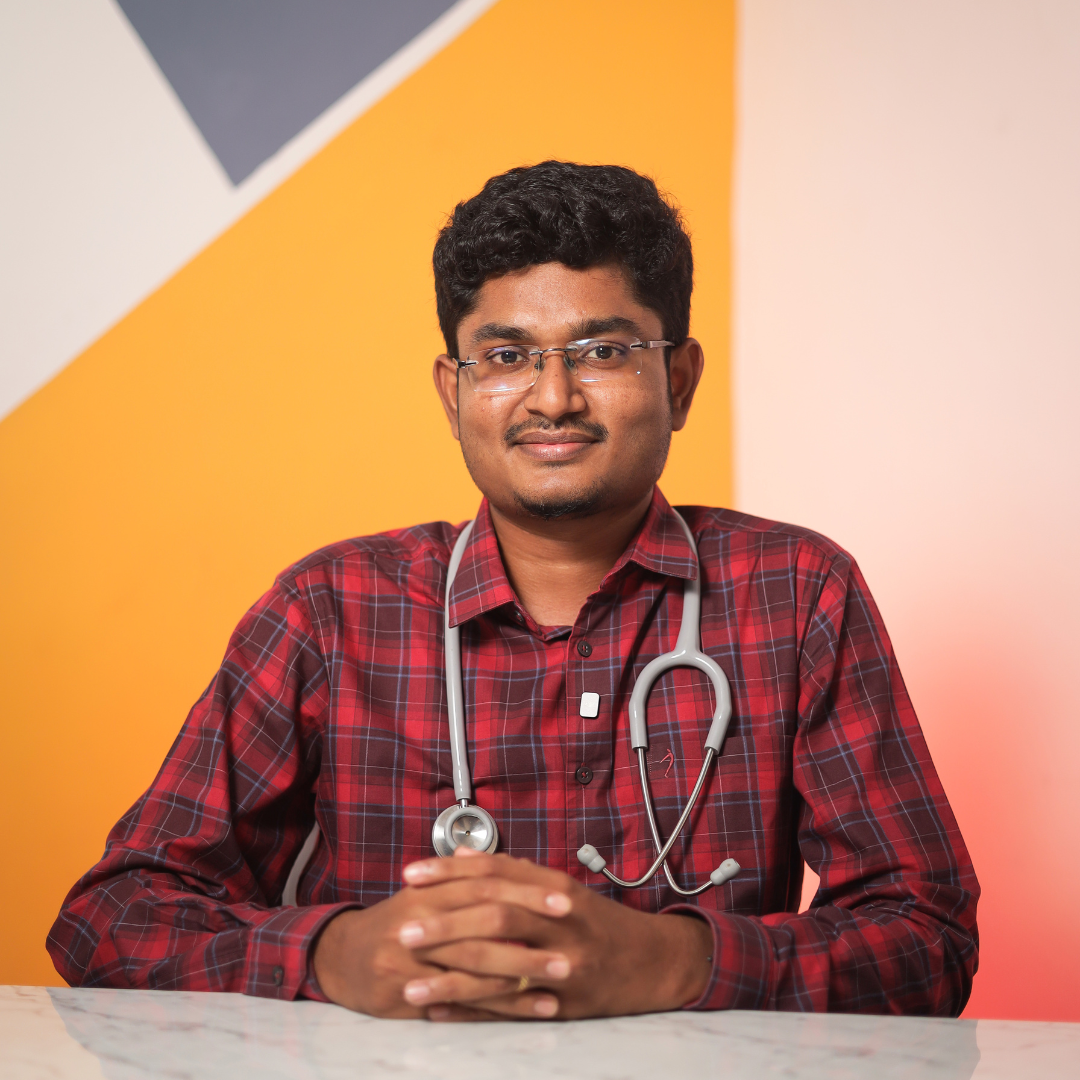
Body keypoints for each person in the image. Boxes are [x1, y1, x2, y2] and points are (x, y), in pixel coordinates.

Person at [48, 161, 978, 1020]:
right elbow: (111, 916)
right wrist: (329, 955)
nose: (553, 397)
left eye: (603, 351)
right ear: (453, 394)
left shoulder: (797, 592)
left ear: (681, 381)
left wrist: (665, 963)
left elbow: (928, 935)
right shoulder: (330, 610)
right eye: (506, 356)